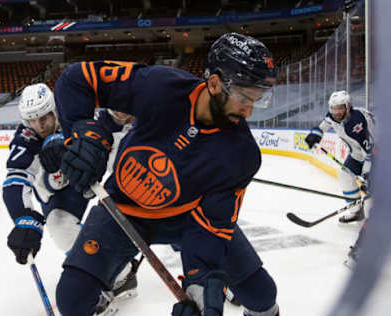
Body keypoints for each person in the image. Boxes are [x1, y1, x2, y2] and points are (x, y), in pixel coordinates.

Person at [41, 33, 280, 316]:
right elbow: (76, 79)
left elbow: (212, 226)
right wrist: (84, 133)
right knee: (72, 299)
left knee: (262, 294)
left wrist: (200, 282)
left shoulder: (242, 155)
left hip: (188, 219)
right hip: (123, 209)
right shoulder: (160, 86)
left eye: (258, 100)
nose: (249, 110)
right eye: (243, 97)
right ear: (214, 83)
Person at [2, 83, 138, 315]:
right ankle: (123, 274)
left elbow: (112, 122)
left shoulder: (76, 113)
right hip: (55, 189)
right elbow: (16, 178)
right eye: (32, 120)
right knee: (60, 227)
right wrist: (23, 219)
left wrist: (120, 116)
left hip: (84, 176)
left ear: (55, 109)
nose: (39, 125)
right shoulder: (26, 137)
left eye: (44, 117)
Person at [305, 90, 375, 223]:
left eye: (340, 108)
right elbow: (325, 124)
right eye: (333, 108)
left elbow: (371, 151)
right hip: (357, 154)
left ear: (347, 107)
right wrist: (315, 134)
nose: (336, 112)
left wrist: (368, 174)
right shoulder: (334, 116)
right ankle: (356, 212)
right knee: (344, 177)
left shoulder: (356, 123)